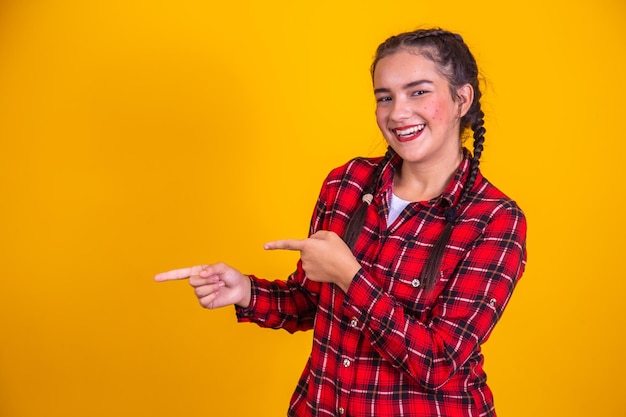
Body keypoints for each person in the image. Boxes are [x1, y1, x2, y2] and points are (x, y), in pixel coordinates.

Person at [155, 27, 527, 417]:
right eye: (385, 97)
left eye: (418, 92)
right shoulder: (346, 184)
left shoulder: (494, 220)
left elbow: (437, 362)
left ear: (461, 99)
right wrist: (245, 291)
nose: (397, 112)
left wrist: (351, 276)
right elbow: (311, 302)